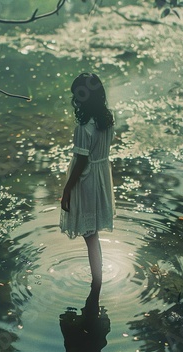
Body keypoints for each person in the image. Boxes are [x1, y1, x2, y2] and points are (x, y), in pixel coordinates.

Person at [60, 73, 115, 313]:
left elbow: (81, 161)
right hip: (101, 175)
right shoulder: (107, 119)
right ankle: (97, 284)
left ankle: (97, 283)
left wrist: (67, 190)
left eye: (77, 95)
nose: (75, 100)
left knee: (90, 235)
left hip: (87, 180)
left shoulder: (84, 126)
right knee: (93, 235)